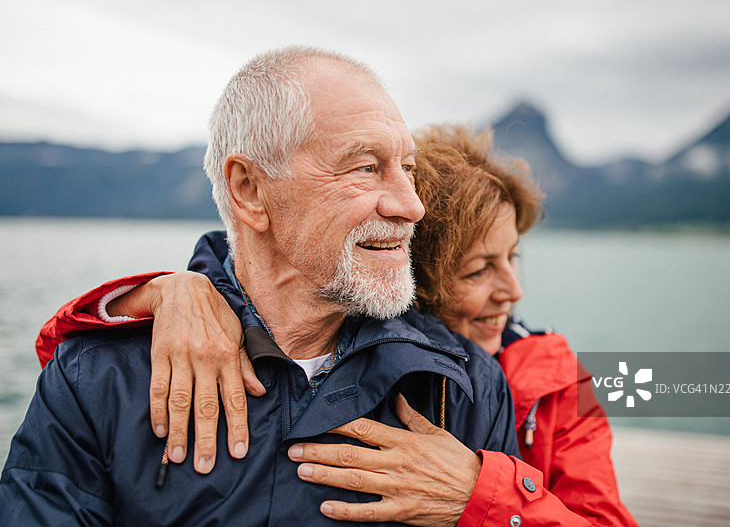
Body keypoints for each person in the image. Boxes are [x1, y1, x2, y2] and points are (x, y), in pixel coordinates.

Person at [0, 47, 521, 526]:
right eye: (366, 168)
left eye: (406, 169)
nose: (411, 206)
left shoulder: (464, 385)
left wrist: (481, 499)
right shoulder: (99, 378)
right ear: (249, 190)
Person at [29, 125, 638, 526]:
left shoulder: (559, 376)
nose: (513, 290)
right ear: (405, 270)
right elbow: (68, 362)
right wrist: (166, 291)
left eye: (514, 258)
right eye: (478, 269)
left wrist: (480, 494)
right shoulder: (379, 363)